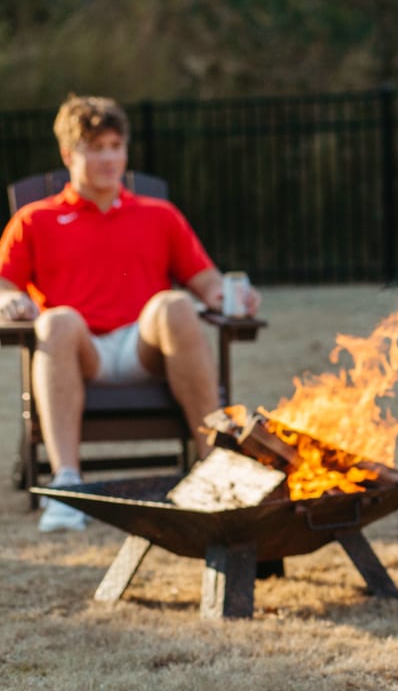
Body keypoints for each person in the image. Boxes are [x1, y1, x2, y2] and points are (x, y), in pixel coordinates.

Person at [0, 94, 261, 532]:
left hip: (145, 348)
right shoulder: (34, 220)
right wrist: (7, 299)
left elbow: (208, 282)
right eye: (94, 147)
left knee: (176, 304)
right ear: (69, 154)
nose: (108, 158)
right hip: (80, 352)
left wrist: (230, 296)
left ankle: (215, 468)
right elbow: (4, 282)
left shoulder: (160, 216)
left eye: (115, 146)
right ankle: (68, 486)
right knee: (57, 319)